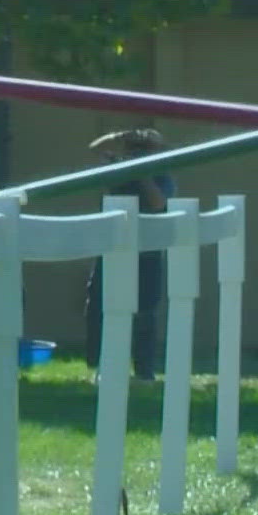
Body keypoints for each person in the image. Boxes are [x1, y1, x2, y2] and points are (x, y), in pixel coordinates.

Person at [84, 128, 175, 382]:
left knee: (145, 311)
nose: (139, 153)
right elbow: (94, 149)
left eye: (145, 149)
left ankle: (144, 371)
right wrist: (117, 136)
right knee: (100, 304)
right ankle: (104, 365)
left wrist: (143, 174)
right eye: (135, 148)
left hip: (147, 252)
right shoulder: (118, 170)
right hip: (112, 248)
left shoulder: (162, 176)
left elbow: (158, 203)